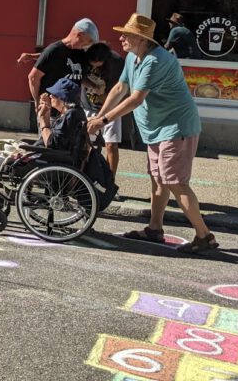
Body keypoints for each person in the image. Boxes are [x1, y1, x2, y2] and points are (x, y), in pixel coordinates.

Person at [87, 14, 216, 254]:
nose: (121, 37)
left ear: (141, 38)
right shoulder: (133, 58)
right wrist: (98, 116)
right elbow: (120, 88)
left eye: (126, 34)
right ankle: (154, 229)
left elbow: (135, 99)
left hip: (176, 127)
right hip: (156, 128)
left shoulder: (155, 61)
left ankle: (204, 235)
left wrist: (104, 120)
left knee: (175, 182)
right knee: (158, 178)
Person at [0, 77, 88, 221]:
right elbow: (57, 140)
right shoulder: (73, 114)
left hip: (46, 161)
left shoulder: (70, 116)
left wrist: (43, 120)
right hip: (48, 158)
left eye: (54, 94)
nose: (51, 96)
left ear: (63, 98)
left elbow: (51, 143)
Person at [24, 18, 97, 124]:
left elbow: (78, 77)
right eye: (89, 41)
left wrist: (95, 87)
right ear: (80, 35)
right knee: (50, 140)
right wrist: (37, 102)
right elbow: (33, 77)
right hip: (51, 114)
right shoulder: (54, 50)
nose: (88, 45)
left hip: (72, 112)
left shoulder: (80, 54)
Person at [83, 42, 125, 180]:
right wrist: (93, 86)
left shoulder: (117, 62)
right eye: (92, 64)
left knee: (111, 145)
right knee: (84, 144)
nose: (94, 67)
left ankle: (110, 181)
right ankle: (80, 178)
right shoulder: (83, 55)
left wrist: (104, 96)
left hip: (110, 109)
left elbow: (120, 89)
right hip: (87, 105)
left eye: (98, 65)